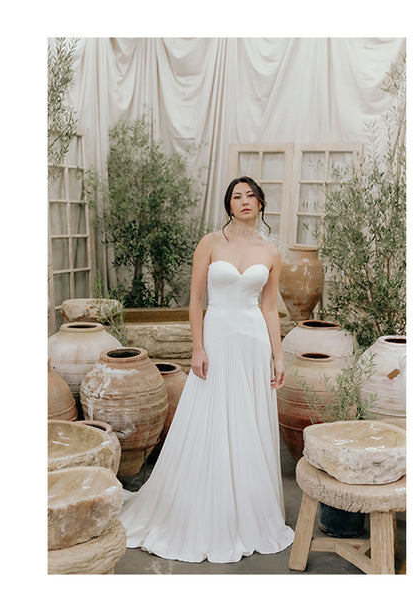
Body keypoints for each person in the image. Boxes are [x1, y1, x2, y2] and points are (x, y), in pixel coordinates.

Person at [118, 176, 295, 563]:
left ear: (261, 203)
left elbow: (269, 308)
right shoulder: (211, 243)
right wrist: (197, 347)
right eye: (237, 196)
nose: (245, 201)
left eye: (251, 195)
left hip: (252, 344)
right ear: (229, 205)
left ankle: (246, 512)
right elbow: (196, 299)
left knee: (247, 422)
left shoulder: (270, 253)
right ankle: (205, 510)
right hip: (216, 339)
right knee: (212, 418)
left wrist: (278, 356)